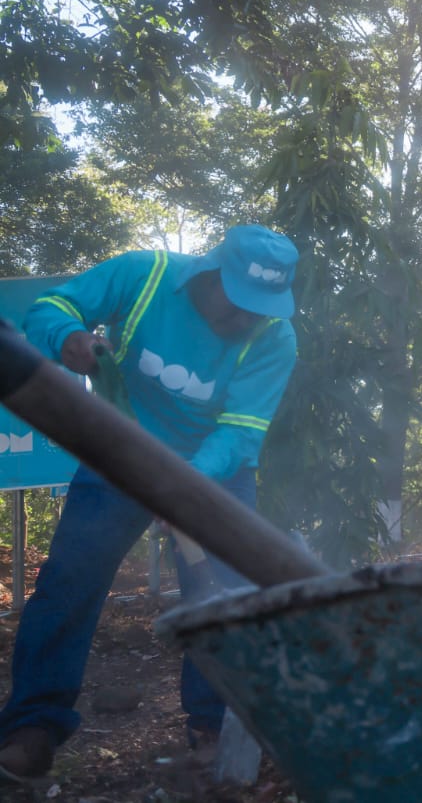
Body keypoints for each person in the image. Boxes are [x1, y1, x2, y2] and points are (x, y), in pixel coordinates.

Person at [0, 225, 299, 781]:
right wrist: (67, 335)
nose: (246, 321)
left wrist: (181, 485)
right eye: (238, 306)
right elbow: (52, 305)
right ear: (208, 277)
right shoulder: (144, 275)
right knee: (69, 580)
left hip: (214, 473)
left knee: (225, 600)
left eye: (260, 310)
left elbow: (238, 435)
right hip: (116, 451)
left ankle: (213, 727)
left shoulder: (275, 337)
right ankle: (31, 728)